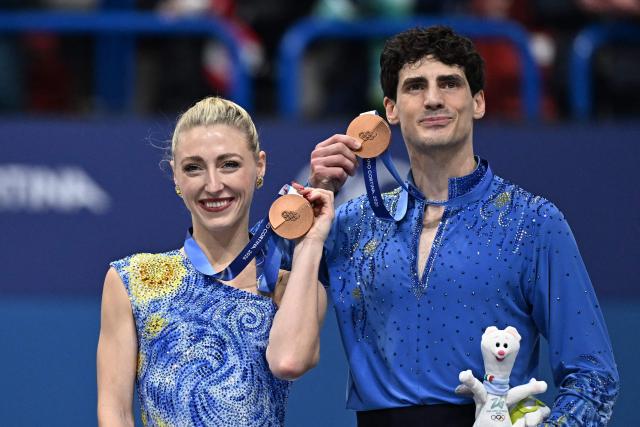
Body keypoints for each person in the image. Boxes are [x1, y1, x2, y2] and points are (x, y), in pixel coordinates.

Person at [306, 26, 619, 426]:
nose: (433, 99)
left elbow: (594, 374)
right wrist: (308, 200)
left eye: (449, 83)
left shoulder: (534, 222)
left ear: (478, 101)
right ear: (391, 110)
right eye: (415, 86)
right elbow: (258, 284)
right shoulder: (350, 223)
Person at [96, 96, 331, 426]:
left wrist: (310, 242)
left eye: (229, 164)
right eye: (193, 168)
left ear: (259, 166)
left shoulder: (290, 287)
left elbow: (290, 361)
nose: (213, 185)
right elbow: (114, 414)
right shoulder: (132, 280)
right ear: (176, 178)